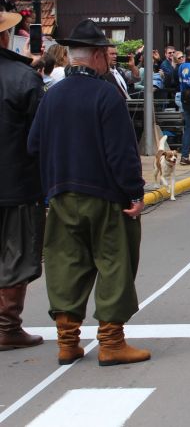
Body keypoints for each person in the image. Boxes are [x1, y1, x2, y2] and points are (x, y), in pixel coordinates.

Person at [27, 20, 149, 366]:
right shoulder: (107, 94)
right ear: (96, 56)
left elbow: (33, 144)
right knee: (114, 263)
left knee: (66, 263)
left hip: (61, 193)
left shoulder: (52, 96)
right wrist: (134, 193)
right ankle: (111, 342)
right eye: (106, 54)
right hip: (104, 195)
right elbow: (121, 153)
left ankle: (67, 342)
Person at [0, 7, 45, 352]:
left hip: (15, 179)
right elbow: (39, 138)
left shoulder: (22, 75)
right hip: (15, 182)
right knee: (17, 256)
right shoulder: (21, 76)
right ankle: (6, 326)